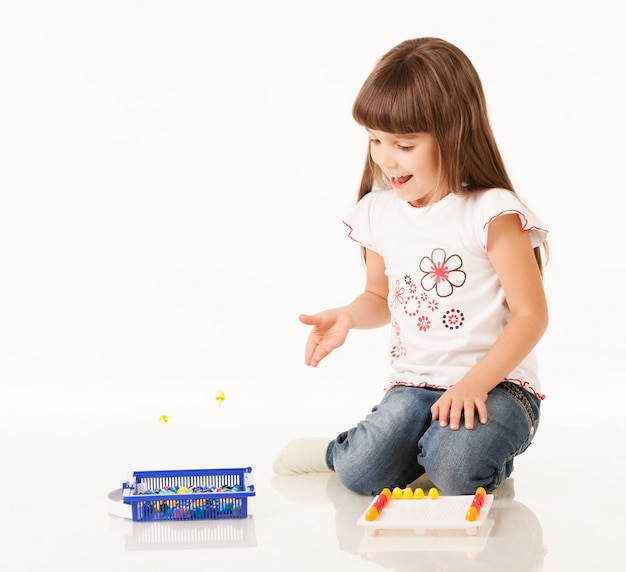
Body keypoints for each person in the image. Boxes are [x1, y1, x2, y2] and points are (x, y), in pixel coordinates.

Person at [273, 37, 549, 496]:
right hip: (416, 386)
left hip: (500, 387)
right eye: (375, 140)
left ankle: (446, 455)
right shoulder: (379, 212)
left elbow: (531, 316)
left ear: (454, 133)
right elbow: (379, 298)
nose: (384, 157)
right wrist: (348, 316)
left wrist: (475, 383)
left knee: (457, 469)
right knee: (361, 473)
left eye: (403, 144)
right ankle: (345, 452)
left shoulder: (492, 213)